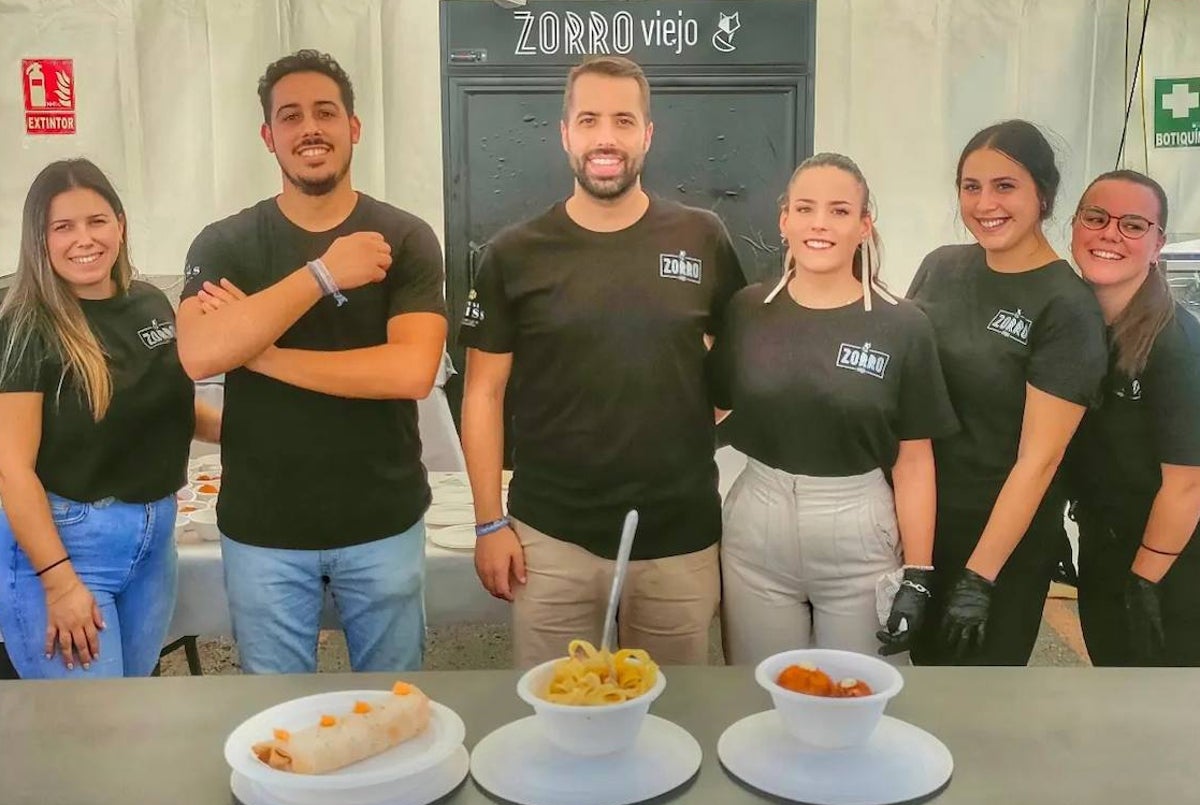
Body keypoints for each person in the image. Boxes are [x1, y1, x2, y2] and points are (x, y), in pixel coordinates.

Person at [459, 55, 746, 668]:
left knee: (677, 721)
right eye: (589, 120)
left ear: (648, 134)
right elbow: (481, 393)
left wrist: (676, 423)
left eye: (623, 120)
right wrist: (489, 524)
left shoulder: (702, 238)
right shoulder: (513, 255)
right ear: (565, 134)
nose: (606, 138)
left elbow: (737, 367)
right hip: (550, 540)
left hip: (679, 537)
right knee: (556, 725)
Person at [175, 50, 447, 674]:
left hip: (383, 522)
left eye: (326, 112)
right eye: (291, 116)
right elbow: (199, 354)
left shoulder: (403, 237)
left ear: (354, 126)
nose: (310, 128)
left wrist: (261, 352)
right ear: (269, 137)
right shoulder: (226, 243)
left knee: (393, 711)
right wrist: (322, 274)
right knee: (274, 722)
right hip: (263, 530)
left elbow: (409, 373)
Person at [708, 153, 957, 664]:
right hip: (758, 518)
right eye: (805, 208)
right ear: (784, 221)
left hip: (858, 526)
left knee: (856, 699)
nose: (819, 223)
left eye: (840, 211)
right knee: (761, 695)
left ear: (864, 226)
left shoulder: (904, 326)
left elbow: (913, 460)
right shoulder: (747, 311)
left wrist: (920, 572)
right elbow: (712, 411)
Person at [0, 158, 220, 679]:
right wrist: (59, 583)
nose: (84, 239)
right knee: (90, 736)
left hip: (154, 538)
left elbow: (172, 407)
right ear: (40, 239)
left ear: (120, 225)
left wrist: (262, 435)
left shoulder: (148, 304)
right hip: (68, 547)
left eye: (97, 221)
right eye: (63, 226)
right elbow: (11, 469)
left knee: (130, 714)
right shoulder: (25, 329)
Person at [907, 120, 1108, 666]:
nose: (984, 203)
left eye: (1005, 186)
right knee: (913, 704)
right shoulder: (940, 268)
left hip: (999, 544)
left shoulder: (1066, 307)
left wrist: (979, 578)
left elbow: (1039, 461)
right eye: (971, 187)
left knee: (978, 714)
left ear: (1042, 194)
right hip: (920, 527)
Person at [1063, 170, 1200, 666]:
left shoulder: (1175, 345)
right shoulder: (1076, 328)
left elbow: (1187, 486)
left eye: (1134, 225)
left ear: (1158, 243)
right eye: (1096, 217)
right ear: (1074, 226)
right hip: (1104, 546)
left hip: (1173, 565)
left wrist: (1145, 580)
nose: (1110, 234)